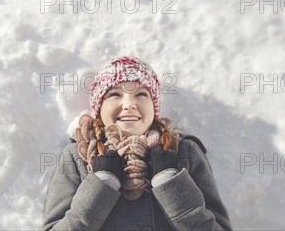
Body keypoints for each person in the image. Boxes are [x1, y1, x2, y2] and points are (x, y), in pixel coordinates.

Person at [42, 56, 232, 230]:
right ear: (99, 108)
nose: (129, 104)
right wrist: (101, 184)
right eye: (115, 94)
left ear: (153, 106)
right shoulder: (77, 156)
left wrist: (170, 182)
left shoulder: (185, 153)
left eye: (141, 94)